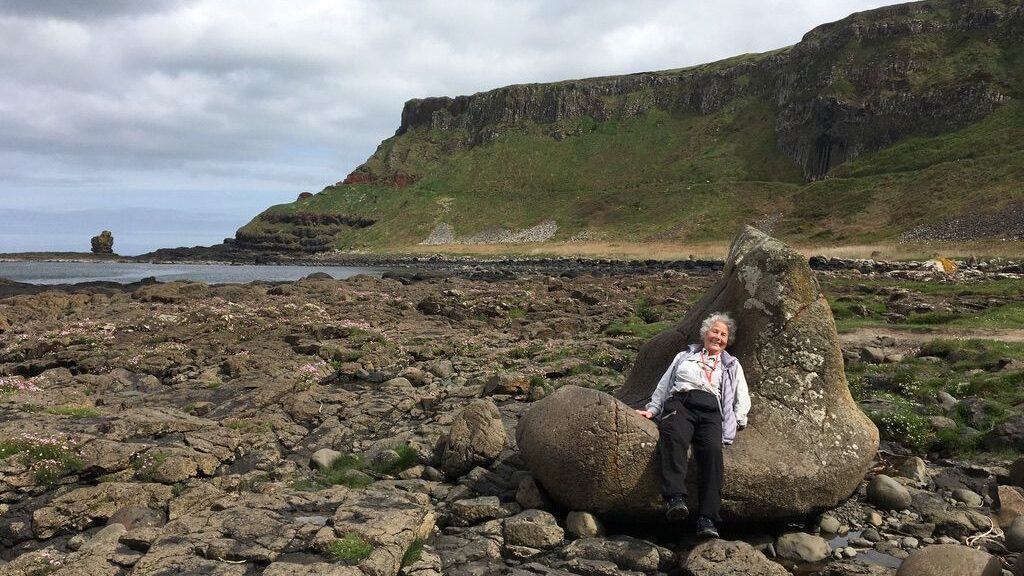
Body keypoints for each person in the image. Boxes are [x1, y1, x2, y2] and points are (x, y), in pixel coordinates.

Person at [635, 312, 750, 538]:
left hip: (710, 409)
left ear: (728, 340)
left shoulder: (731, 364)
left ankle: (708, 519)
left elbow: (741, 393)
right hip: (681, 402)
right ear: (705, 333)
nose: (718, 337)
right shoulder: (684, 356)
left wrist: (739, 418)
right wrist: (653, 408)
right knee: (674, 437)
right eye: (715, 331)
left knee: (712, 452)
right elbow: (665, 383)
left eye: (723, 334)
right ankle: (675, 498)